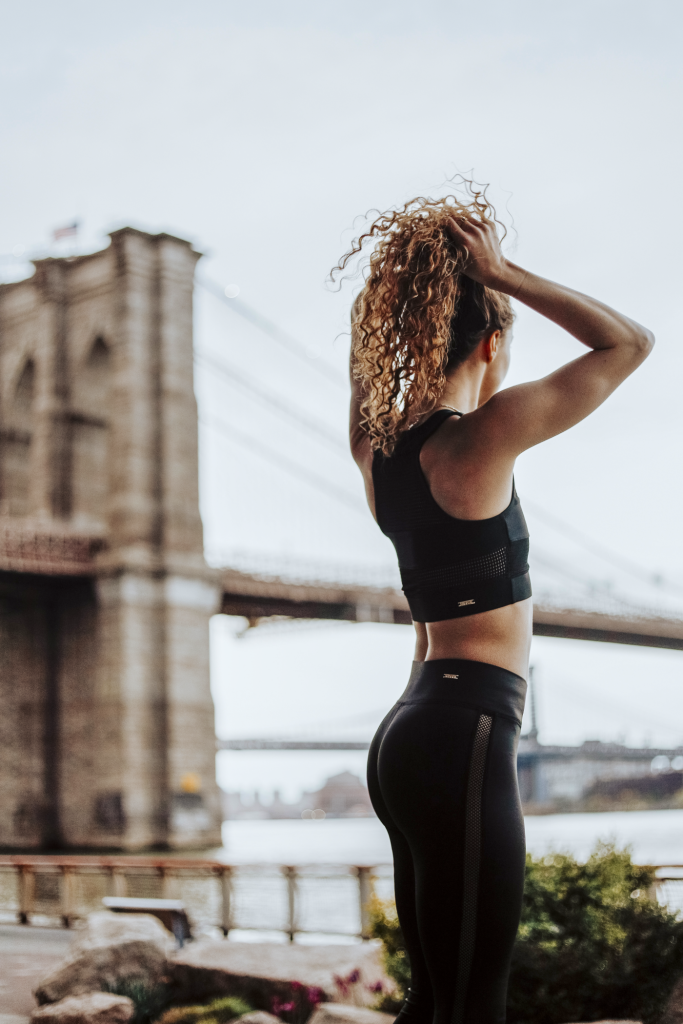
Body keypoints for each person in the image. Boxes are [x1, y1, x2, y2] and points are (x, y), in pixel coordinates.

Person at [336, 192, 654, 1024]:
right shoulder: (480, 439)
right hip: (466, 731)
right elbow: (628, 342)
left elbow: (364, 371)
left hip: (405, 735)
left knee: (429, 1001)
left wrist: (402, 284)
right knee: (474, 1005)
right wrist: (499, 273)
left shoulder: (376, 449)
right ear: (492, 342)